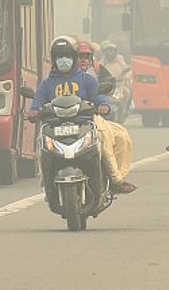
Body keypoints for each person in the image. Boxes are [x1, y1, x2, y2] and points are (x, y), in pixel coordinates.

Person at [29, 36, 137, 194]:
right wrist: (34, 111)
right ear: (54, 59)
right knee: (42, 143)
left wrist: (103, 105)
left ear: (73, 58)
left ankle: (115, 180)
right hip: (55, 125)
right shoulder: (47, 83)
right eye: (60, 57)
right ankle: (47, 184)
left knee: (114, 136)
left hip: (86, 122)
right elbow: (38, 101)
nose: (63, 60)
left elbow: (98, 95)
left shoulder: (87, 79)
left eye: (67, 56)